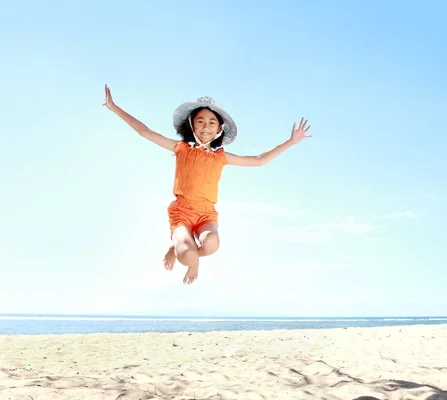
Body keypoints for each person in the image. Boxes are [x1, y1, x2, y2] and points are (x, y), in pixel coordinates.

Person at [102, 84, 311, 284]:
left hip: (205, 214)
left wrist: (290, 142)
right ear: (192, 124)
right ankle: (180, 251)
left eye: (212, 122)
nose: (206, 127)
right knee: (187, 256)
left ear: (219, 128)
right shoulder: (180, 148)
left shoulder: (221, 157)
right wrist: (114, 108)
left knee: (211, 244)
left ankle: (191, 255)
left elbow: (259, 160)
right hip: (182, 212)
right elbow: (145, 132)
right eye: (200, 121)